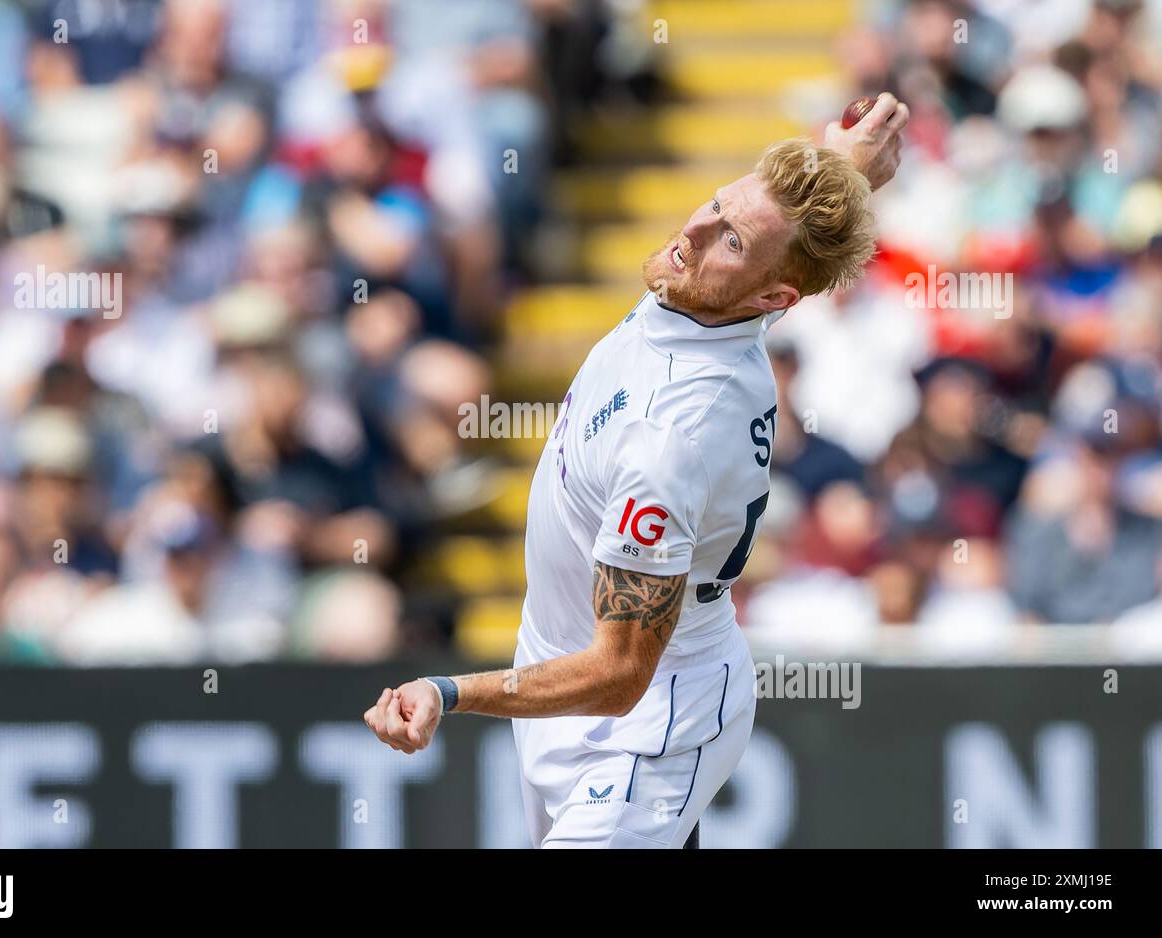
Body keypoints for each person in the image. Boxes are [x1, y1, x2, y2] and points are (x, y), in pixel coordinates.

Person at [363, 94, 910, 848]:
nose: (693, 230)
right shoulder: (717, 297)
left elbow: (621, 674)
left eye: (728, 239)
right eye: (715, 206)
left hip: (650, 720)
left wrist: (447, 689)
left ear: (767, 295)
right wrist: (845, 169)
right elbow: (788, 252)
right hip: (568, 685)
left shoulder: (672, 435)